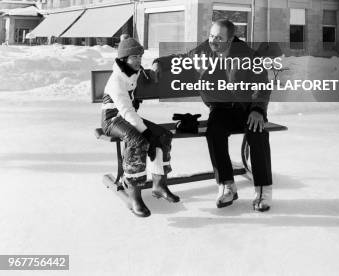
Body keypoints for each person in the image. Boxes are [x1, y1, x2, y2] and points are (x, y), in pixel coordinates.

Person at [154, 19, 273, 212]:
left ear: (231, 39)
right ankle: (227, 185)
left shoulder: (248, 56)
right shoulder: (203, 52)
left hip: (246, 108)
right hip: (221, 108)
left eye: (219, 37)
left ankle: (262, 190)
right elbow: (182, 58)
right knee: (214, 131)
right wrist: (159, 63)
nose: (213, 41)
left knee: (257, 131)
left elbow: (262, 84)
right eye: (211, 36)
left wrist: (258, 109)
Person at [101, 36, 180, 218]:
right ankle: (134, 195)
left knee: (164, 135)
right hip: (112, 119)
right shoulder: (116, 81)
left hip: (128, 117)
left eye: (140, 56)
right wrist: (147, 134)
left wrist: (155, 69)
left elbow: (147, 76)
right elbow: (127, 112)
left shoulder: (133, 71)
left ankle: (159, 184)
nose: (138, 60)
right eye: (134, 57)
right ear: (123, 59)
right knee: (138, 141)